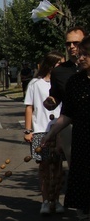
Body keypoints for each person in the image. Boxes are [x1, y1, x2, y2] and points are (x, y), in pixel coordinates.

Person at [42, 35, 90, 221]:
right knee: (83, 179)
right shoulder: (75, 82)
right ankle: (86, 219)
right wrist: (51, 133)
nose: (79, 58)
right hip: (83, 139)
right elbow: (68, 114)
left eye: (85, 55)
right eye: (79, 55)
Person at [24, 51, 64, 215]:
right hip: (40, 130)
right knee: (44, 167)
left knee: (58, 167)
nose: (61, 67)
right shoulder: (35, 83)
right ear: (50, 64)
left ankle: (57, 200)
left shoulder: (63, 82)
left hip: (59, 129)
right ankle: (46, 201)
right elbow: (29, 106)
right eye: (59, 64)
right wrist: (28, 130)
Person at [44, 26, 86, 165]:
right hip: (70, 125)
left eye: (76, 43)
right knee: (76, 165)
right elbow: (55, 97)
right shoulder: (59, 72)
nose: (72, 47)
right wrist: (50, 102)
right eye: (68, 43)